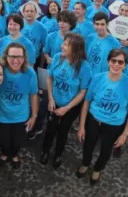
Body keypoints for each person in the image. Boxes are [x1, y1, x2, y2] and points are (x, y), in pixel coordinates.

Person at [76, 49, 128, 185]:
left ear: (125, 65)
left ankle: (97, 169)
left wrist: (124, 135)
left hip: (114, 126)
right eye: (113, 61)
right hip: (94, 120)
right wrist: (81, 126)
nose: (116, 64)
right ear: (108, 62)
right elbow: (87, 102)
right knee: (88, 145)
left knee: (106, 150)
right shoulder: (97, 78)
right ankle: (85, 164)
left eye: (120, 62)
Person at [40, 33, 92, 168]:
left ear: (75, 49)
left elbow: (82, 92)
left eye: (66, 44)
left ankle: (58, 153)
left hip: (71, 106)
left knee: (63, 130)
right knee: (50, 128)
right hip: (54, 101)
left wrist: (67, 108)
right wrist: (51, 99)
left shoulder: (85, 67)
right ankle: (45, 151)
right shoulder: (57, 58)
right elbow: (49, 78)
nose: (61, 46)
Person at [0, 43, 38, 169]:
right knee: (4, 140)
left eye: (19, 57)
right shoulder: (0, 70)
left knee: (18, 141)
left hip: (21, 115)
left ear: (24, 58)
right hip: (1, 115)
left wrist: (34, 116)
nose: (15, 60)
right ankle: (4, 153)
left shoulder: (30, 73)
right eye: (12, 56)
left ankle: (14, 154)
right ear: (6, 57)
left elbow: (33, 95)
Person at [21, 2, 48, 67]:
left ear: (36, 13)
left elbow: (44, 47)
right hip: (19, 59)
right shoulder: (18, 24)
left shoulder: (42, 28)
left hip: (35, 60)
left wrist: (41, 64)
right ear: (23, 13)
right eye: (27, 11)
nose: (29, 13)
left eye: (31, 11)